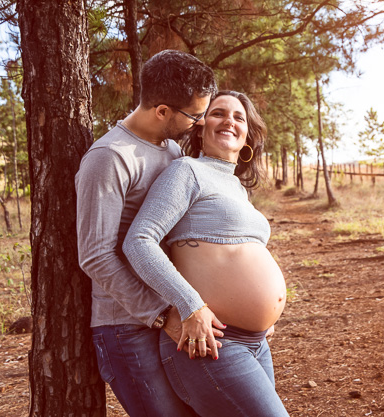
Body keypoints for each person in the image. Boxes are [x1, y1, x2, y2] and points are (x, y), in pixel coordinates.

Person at [123, 90, 289, 417]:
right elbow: (139, 240)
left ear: (247, 136)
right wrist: (190, 305)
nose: (229, 120)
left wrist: (264, 316)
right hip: (209, 343)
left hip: (256, 343)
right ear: (200, 128)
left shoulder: (238, 187)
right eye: (218, 113)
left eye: (239, 117)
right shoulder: (187, 171)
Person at [76, 49, 218, 417]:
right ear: (162, 111)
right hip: (126, 326)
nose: (200, 124)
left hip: (172, 312)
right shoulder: (110, 157)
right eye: (195, 115)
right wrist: (160, 314)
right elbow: (95, 255)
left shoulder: (170, 148)